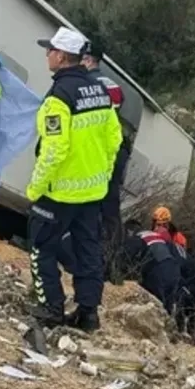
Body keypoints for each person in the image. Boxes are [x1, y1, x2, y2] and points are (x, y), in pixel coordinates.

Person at [25, 27, 123, 330]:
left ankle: (52, 306)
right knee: (88, 251)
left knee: (41, 247)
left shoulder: (58, 97)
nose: (46, 55)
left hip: (59, 194)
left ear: (62, 56)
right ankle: (88, 313)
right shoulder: (100, 93)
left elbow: (54, 149)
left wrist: (35, 188)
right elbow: (114, 140)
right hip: (92, 192)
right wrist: (103, 177)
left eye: (50, 50)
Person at [81, 42, 134, 282]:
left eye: (81, 58)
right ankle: (111, 265)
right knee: (110, 211)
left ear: (90, 60)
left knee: (94, 208)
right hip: (114, 150)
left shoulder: (90, 83)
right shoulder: (112, 86)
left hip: (101, 151)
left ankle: (97, 264)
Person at [124, 207, 195, 336]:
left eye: (162, 224)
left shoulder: (177, 239)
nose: (158, 227)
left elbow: (181, 260)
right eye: (157, 224)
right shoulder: (162, 237)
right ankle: (175, 329)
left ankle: (185, 331)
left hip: (182, 271)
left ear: (167, 224)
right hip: (174, 269)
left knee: (184, 301)